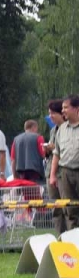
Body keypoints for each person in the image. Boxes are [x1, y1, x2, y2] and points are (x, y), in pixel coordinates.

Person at [50, 95, 79, 230]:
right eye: (62, 108)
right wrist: (52, 175)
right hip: (66, 173)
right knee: (70, 210)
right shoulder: (61, 129)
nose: (63, 111)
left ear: (76, 109)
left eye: (66, 107)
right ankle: (74, 243)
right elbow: (56, 153)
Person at [44, 99, 67, 236]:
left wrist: (55, 149)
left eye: (53, 113)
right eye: (49, 113)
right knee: (55, 207)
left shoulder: (69, 129)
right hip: (50, 172)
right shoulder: (53, 130)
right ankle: (60, 236)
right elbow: (51, 153)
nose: (51, 116)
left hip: (64, 172)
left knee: (68, 207)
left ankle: (72, 236)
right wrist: (47, 150)